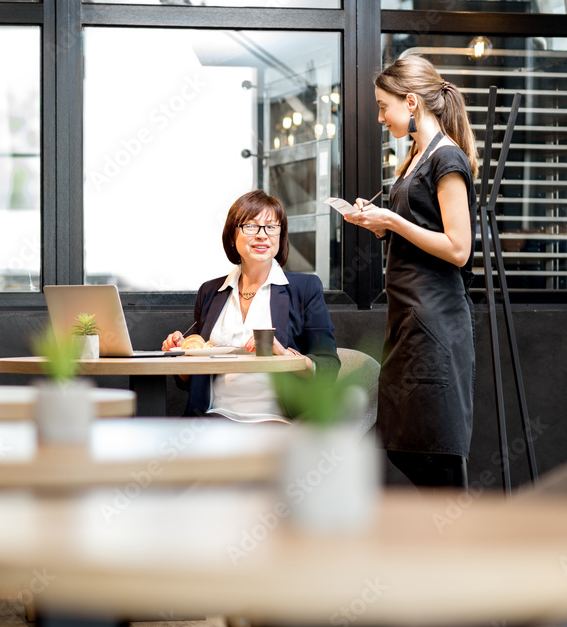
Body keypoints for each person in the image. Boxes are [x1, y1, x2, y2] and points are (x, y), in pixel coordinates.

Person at [343, 56, 477, 489]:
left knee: (436, 452)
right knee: (403, 441)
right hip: (406, 320)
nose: (381, 117)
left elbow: (458, 249)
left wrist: (394, 222)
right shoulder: (415, 158)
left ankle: (457, 550)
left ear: (413, 102)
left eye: (385, 106)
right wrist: (380, 223)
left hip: (433, 323)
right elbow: (420, 232)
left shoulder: (446, 158)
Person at [162, 189, 340, 421]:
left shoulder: (304, 288)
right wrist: (179, 354)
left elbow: (328, 367)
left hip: (277, 419)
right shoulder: (210, 292)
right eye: (251, 226)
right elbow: (191, 379)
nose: (262, 235)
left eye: (271, 227)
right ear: (232, 236)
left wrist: (285, 355)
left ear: (280, 235)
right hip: (213, 416)